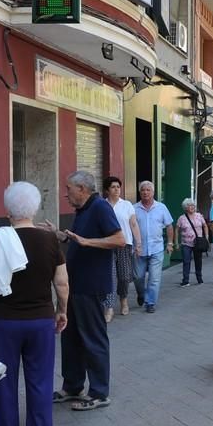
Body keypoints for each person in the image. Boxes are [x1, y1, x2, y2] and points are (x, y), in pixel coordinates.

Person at [0, 182, 69, 426]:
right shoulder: (50, 239)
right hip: (40, 321)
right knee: (40, 380)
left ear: (7, 210)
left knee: (1, 380)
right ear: (36, 208)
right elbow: (62, 283)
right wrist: (62, 310)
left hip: (3, 322)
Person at [42, 171, 124, 411]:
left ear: (82, 189)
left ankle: (99, 392)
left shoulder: (100, 207)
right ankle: (72, 386)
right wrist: (59, 235)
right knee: (71, 338)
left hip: (92, 286)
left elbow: (119, 239)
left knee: (93, 339)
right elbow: (78, 239)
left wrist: (88, 242)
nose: (65, 194)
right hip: (75, 285)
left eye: (69, 189)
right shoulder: (83, 210)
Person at [102, 176, 142, 320]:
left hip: (125, 245)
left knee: (124, 277)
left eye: (118, 187)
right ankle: (110, 308)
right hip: (107, 245)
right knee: (110, 277)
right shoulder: (102, 205)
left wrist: (138, 243)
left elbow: (133, 224)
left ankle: (123, 300)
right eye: (113, 187)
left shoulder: (127, 205)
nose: (117, 189)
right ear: (107, 190)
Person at [133, 181, 174, 313]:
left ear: (153, 192)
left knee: (154, 278)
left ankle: (150, 303)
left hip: (156, 249)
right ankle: (141, 294)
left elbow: (169, 226)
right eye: (143, 190)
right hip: (139, 250)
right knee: (138, 277)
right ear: (140, 192)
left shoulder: (161, 207)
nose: (145, 192)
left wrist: (170, 243)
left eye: (148, 190)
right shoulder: (133, 208)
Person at [175, 197, 209, 287]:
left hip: (198, 243)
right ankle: (185, 280)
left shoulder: (199, 216)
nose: (192, 207)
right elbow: (176, 229)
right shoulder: (181, 218)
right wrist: (176, 242)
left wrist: (206, 237)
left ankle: (199, 278)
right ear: (186, 208)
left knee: (198, 261)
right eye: (190, 205)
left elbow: (205, 225)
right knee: (186, 261)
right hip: (186, 243)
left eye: (193, 205)